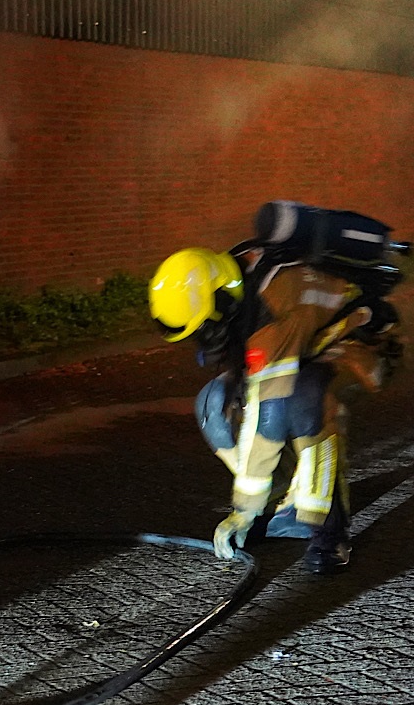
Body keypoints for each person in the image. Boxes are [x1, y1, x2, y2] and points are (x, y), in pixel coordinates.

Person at [148, 224, 401, 574]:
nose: (205, 339)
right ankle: (278, 506)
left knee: (302, 403)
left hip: (359, 353)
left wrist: (242, 509)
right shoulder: (237, 279)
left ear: (220, 301)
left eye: (205, 328)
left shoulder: (271, 311)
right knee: (213, 402)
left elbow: (269, 414)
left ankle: (327, 529)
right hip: (305, 352)